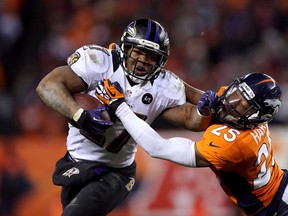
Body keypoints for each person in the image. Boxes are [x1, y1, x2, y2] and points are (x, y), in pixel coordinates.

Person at [36, 19, 214, 216]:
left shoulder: (162, 86)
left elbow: (191, 118)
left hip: (115, 172)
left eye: (151, 56)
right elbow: (47, 85)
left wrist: (203, 111)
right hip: (76, 161)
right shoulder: (100, 63)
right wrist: (79, 115)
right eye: (138, 51)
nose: (143, 60)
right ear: (125, 48)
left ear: (160, 60)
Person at [95, 72, 288, 216]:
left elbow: (158, 148)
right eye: (236, 93)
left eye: (243, 105)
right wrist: (161, 74)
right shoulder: (246, 117)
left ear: (257, 117)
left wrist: (119, 107)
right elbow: (211, 99)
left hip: (277, 207)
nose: (232, 102)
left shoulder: (234, 144)